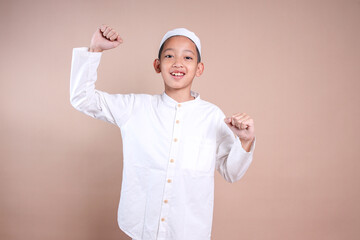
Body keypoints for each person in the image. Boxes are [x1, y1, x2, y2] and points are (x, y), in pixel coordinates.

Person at [70, 24, 256, 240]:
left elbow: (231, 172)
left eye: (187, 57)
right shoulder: (135, 108)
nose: (178, 63)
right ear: (157, 65)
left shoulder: (212, 116)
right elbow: (82, 98)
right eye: (169, 56)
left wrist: (244, 141)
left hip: (189, 231)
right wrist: (95, 49)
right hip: (141, 228)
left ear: (199, 68)